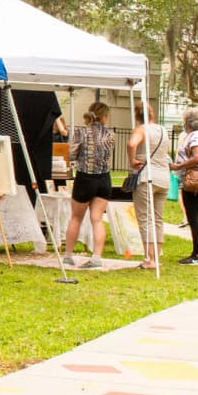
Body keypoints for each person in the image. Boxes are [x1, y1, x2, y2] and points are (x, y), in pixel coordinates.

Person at [64, 101, 115, 269]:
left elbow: (71, 154)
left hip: (85, 177)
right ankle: (96, 257)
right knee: (97, 219)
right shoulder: (110, 134)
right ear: (105, 116)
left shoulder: (81, 132)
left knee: (76, 218)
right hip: (104, 178)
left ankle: (68, 255)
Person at [128, 100, 171, 270]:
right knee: (158, 218)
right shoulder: (162, 130)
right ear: (152, 113)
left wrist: (132, 159)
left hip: (147, 176)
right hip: (163, 177)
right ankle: (157, 255)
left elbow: (132, 143)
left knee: (145, 218)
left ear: (137, 115)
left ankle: (150, 258)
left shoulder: (141, 129)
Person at [174, 109, 198, 266]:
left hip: (193, 180)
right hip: (195, 179)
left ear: (188, 123)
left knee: (193, 215)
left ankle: (197, 253)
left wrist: (179, 165)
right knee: (195, 215)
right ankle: (197, 251)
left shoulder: (195, 136)